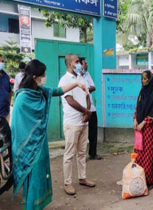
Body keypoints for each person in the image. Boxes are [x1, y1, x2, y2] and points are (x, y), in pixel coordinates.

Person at [11, 59, 87, 210]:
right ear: (34, 77)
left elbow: (57, 91)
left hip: (41, 145)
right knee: (33, 179)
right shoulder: (22, 98)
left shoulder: (40, 91)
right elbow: (17, 127)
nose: (45, 77)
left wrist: (77, 83)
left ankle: (38, 206)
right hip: (29, 150)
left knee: (40, 177)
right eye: (43, 74)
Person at [58, 54, 95, 196]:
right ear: (69, 64)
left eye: (79, 61)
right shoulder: (65, 80)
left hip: (83, 120)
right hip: (72, 122)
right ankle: (67, 183)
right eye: (76, 61)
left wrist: (88, 111)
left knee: (81, 152)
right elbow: (70, 100)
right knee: (69, 154)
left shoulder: (80, 77)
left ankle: (82, 178)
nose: (79, 63)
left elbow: (87, 95)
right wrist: (86, 111)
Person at [134, 70, 153, 188]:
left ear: (150, 80)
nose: (143, 81)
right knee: (139, 155)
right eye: (142, 79)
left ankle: (148, 179)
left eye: (145, 79)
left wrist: (144, 122)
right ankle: (139, 177)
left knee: (148, 155)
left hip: (149, 131)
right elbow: (138, 108)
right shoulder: (142, 93)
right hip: (139, 130)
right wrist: (135, 119)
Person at [79, 58, 102, 160]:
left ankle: (93, 153)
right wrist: (87, 90)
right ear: (80, 65)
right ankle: (80, 155)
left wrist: (86, 89)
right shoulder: (77, 77)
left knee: (93, 131)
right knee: (81, 132)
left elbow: (94, 87)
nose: (87, 65)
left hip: (91, 108)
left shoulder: (87, 74)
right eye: (85, 63)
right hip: (82, 108)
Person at [0, 54, 12, 123]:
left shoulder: (6, 76)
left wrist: (9, 103)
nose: (1, 63)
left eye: (2, 61)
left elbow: (9, 91)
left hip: (5, 111)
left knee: (5, 132)